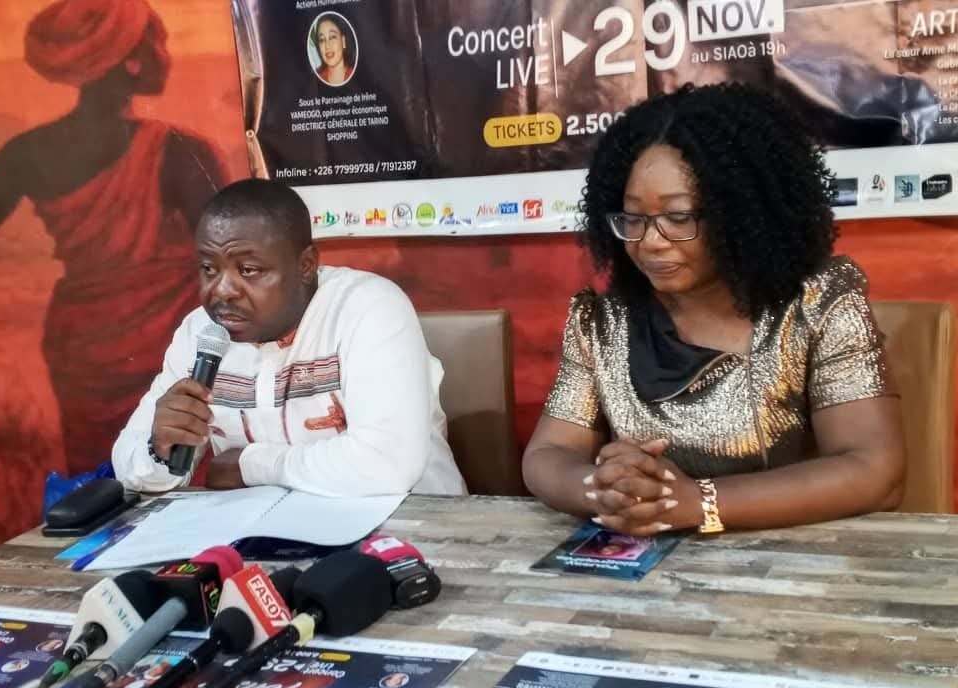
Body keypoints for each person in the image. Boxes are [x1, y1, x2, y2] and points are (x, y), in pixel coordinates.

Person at [523, 83, 904, 536]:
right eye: (633, 219)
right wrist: (601, 490)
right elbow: (546, 455)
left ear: (742, 213)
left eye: (679, 217)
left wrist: (698, 503)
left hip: (790, 556)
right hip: (651, 562)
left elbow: (875, 470)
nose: (650, 241)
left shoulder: (818, 304)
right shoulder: (602, 323)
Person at [0, 0, 229, 474]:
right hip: (168, 339)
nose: (165, 54)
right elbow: (232, 255)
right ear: (129, 59)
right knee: (183, 472)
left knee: (100, 486)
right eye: (157, 42)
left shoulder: (24, 153)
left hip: (80, 348)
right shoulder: (180, 150)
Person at [112, 179, 465, 496]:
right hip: (269, 533)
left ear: (306, 265)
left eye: (248, 270)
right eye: (208, 268)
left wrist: (250, 465)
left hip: (412, 525)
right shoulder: (200, 334)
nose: (222, 290)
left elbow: (386, 464)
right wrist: (160, 449)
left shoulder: (367, 308)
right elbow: (128, 464)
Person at [312, 13, 356, 86]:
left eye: (332, 37)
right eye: (322, 40)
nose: (327, 46)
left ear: (343, 41)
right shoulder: (314, 80)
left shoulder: (357, 75)